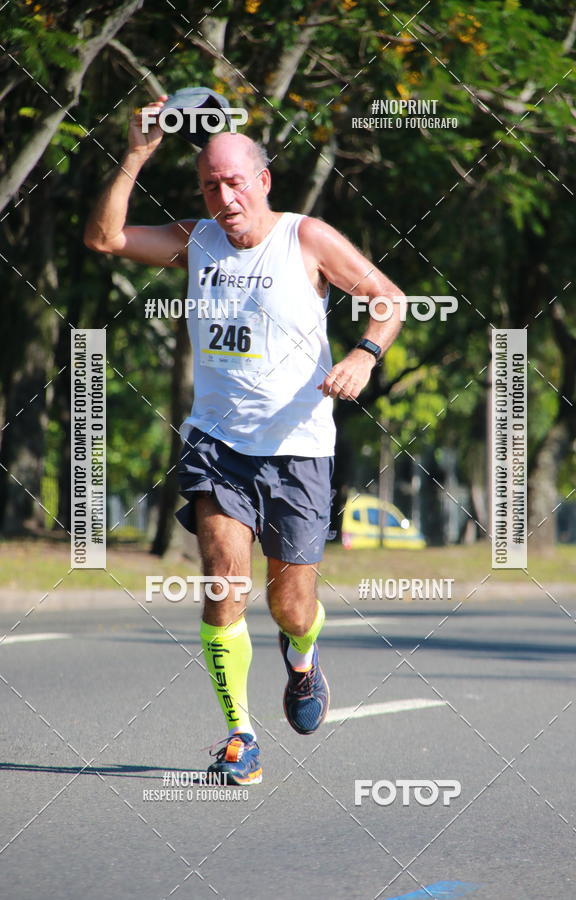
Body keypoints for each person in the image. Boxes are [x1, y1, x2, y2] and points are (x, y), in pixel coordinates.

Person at [84, 95, 403, 785]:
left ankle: (304, 657)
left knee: (291, 605)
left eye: (235, 182)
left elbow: (387, 298)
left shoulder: (306, 238)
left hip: (298, 449)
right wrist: (136, 152)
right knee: (223, 583)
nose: (224, 197)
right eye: (210, 185)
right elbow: (106, 239)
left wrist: (362, 357)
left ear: (263, 180)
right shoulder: (195, 240)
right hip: (217, 445)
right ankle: (240, 735)